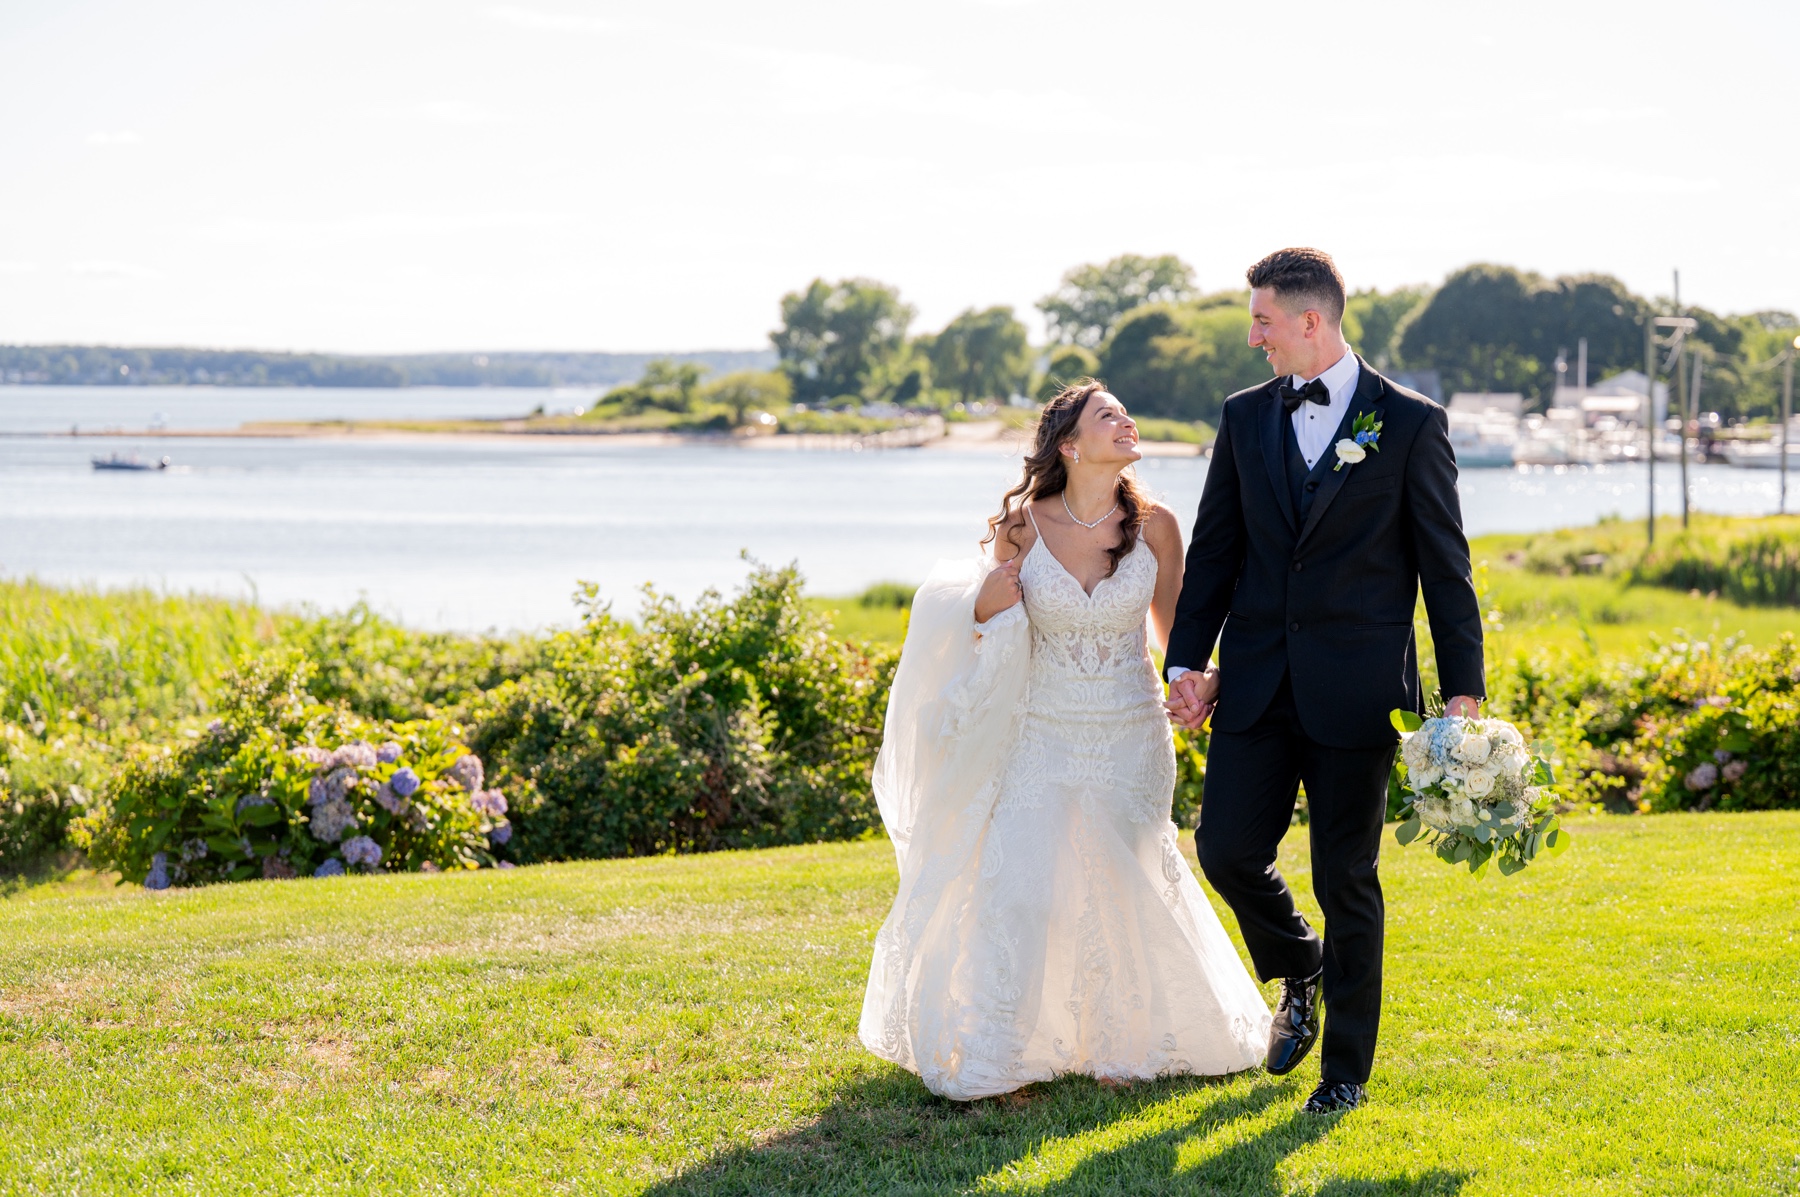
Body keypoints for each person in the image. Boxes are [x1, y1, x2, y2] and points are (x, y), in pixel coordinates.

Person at [860, 381, 1272, 1100]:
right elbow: (988, 622)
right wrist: (984, 604)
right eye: (1106, 415)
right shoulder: (1022, 524)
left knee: (1127, 876)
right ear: (1069, 445)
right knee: (1021, 883)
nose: (1126, 421)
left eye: (1124, 412)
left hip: (1131, 727)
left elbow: (1176, 636)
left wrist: (1195, 684)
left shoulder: (1159, 526)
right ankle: (1002, 1052)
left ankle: (1126, 1043)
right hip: (1040, 726)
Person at [1164, 248, 1486, 1114]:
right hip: (1258, 682)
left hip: (1360, 692)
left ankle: (1343, 1069)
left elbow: (1445, 568)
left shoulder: (1411, 423)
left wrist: (1464, 692)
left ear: (1312, 321)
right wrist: (1187, 662)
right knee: (1225, 847)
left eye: (1262, 320)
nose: (1251, 336)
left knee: (1346, 875)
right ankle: (1297, 962)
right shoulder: (1242, 417)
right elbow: (1217, 551)